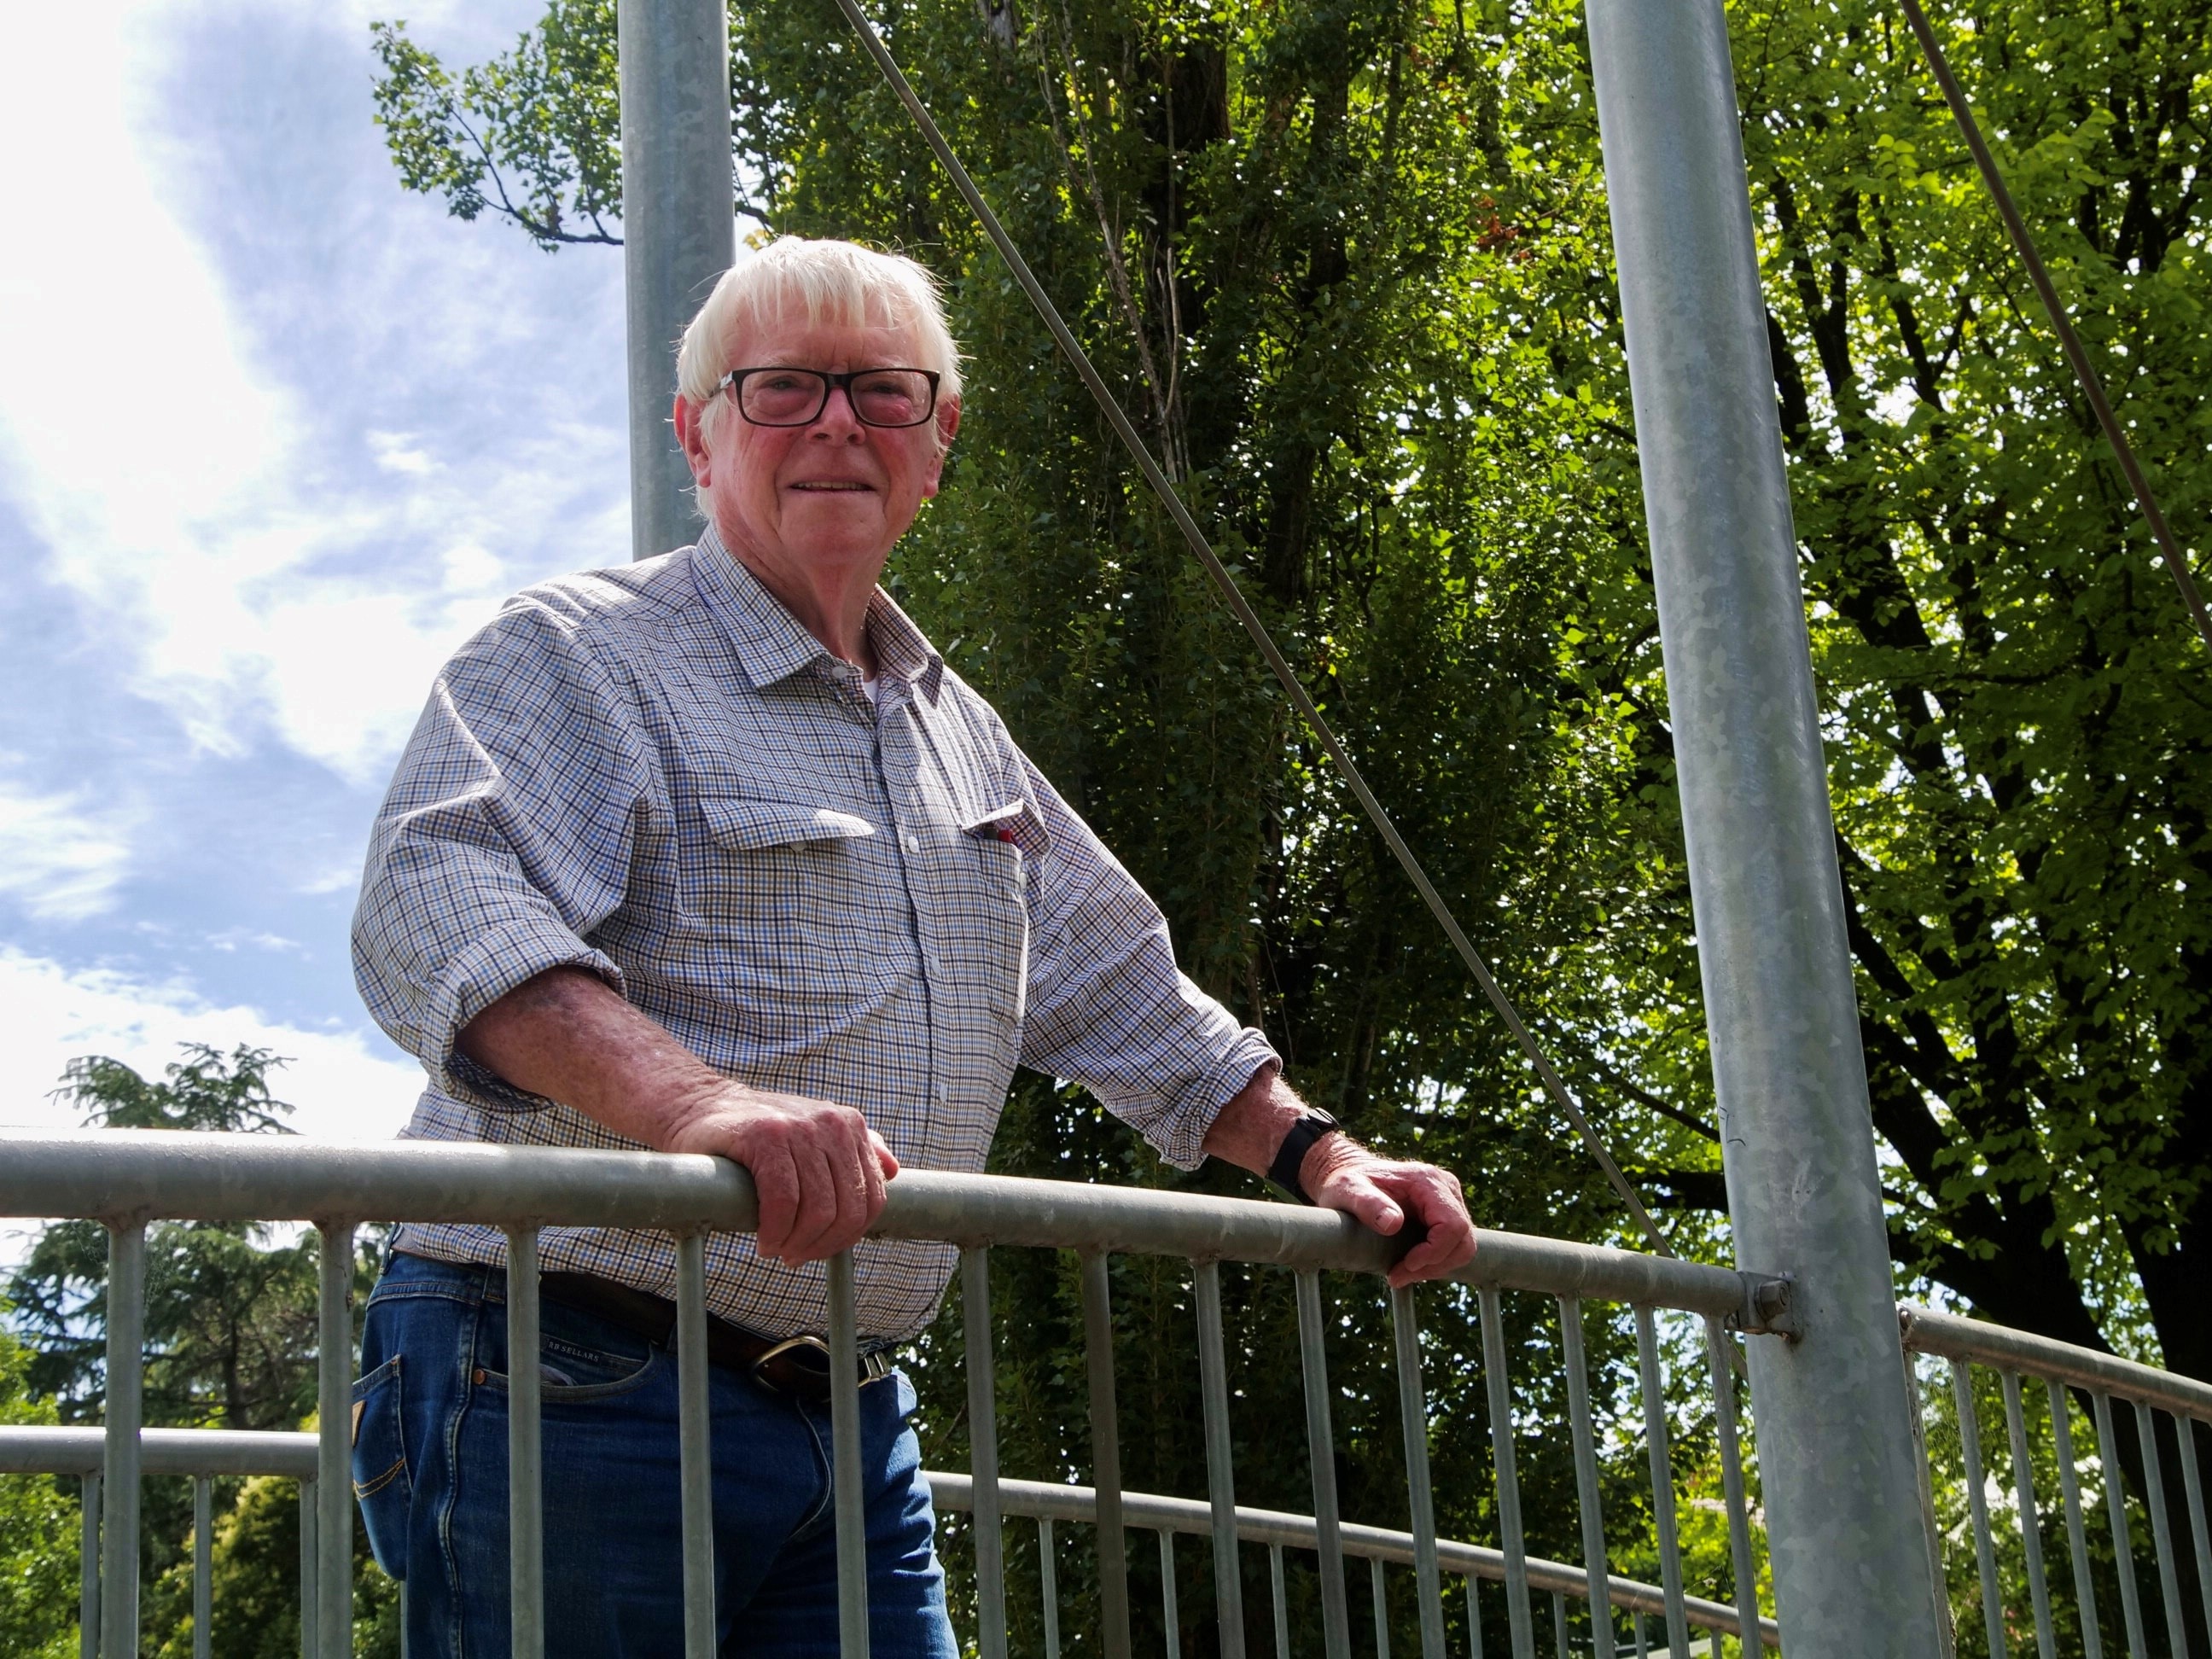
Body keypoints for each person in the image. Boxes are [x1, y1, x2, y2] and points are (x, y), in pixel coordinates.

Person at [349, 236, 1476, 1657]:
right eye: (783, 389)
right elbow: (439, 896)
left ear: (937, 445)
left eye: (883, 393)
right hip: (565, 1369)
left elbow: (1124, 989)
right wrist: (704, 1109)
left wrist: (1322, 1152)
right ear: (699, 436)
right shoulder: (577, 651)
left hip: (848, 1404)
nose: (837, 423)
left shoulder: (957, 730)